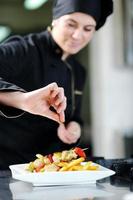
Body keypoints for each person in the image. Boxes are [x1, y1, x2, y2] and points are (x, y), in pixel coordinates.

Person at [0, 0, 113, 169]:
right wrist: (21, 99)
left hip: (52, 171)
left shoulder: (78, 71)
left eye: (88, 29)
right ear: (55, 19)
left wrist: (74, 127)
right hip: (7, 170)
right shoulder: (23, 50)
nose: (77, 35)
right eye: (71, 25)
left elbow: (74, 116)